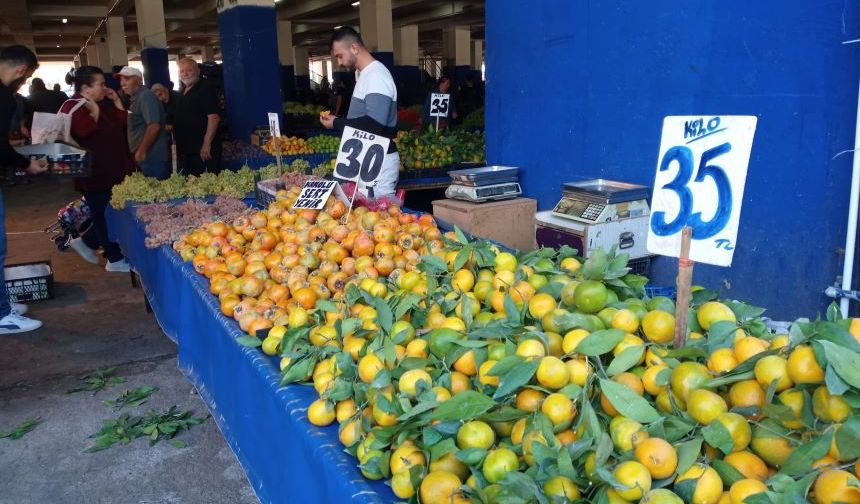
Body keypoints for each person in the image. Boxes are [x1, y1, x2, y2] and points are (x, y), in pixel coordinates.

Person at [59, 66, 134, 273]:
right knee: (103, 214)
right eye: (100, 83)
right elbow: (85, 132)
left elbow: (122, 124)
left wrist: (117, 101)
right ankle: (113, 258)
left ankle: (88, 242)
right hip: (95, 173)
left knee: (110, 211)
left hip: (114, 169)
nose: (105, 87)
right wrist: (95, 111)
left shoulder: (103, 102)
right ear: (85, 87)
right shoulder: (73, 106)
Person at [0, 45, 49, 333]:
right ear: (21, 71)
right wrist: (26, 164)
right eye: (27, 76)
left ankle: (3, 303)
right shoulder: (3, 96)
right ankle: (3, 316)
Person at [320, 27, 400, 197]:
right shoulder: (363, 74)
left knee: (382, 219)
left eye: (339, 56)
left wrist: (336, 122)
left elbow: (374, 124)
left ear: (354, 48)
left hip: (378, 162)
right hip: (369, 161)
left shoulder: (376, 76)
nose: (339, 63)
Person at [116, 66, 169, 180]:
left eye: (127, 79)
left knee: (157, 195)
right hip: (146, 158)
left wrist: (141, 151)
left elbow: (154, 127)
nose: (122, 83)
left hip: (152, 158)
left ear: (139, 80)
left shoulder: (145, 96)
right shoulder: (136, 97)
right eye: (121, 79)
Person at [174, 58, 220, 175]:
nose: (185, 74)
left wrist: (206, 144)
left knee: (205, 187)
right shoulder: (183, 90)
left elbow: (214, 118)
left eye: (189, 70)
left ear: (198, 71)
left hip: (202, 151)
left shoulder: (205, 88)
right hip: (188, 151)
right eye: (182, 71)